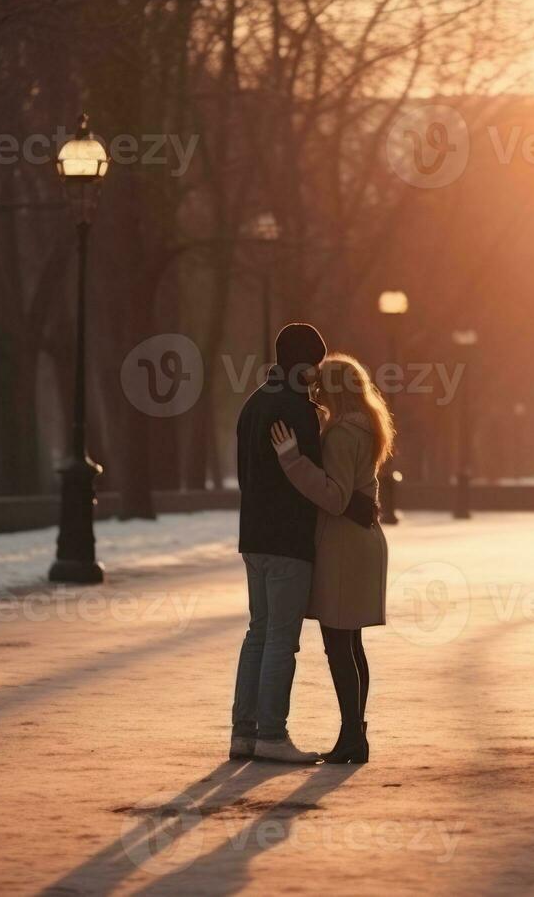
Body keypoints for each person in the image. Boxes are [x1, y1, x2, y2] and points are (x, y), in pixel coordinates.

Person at [270, 354, 393, 764]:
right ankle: (355, 733)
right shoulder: (369, 427)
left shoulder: (342, 434)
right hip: (362, 542)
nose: (315, 394)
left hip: (343, 546)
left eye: (320, 387)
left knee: (338, 645)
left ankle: (352, 738)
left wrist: (292, 459)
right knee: (351, 643)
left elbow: (334, 495)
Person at [230, 323, 328, 764]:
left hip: (253, 535)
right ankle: (272, 733)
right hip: (289, 538)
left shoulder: (253, 404)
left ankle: (244, 732)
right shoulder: (298, 409)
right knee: (281, 640)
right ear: (304, 363)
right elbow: (310, 479)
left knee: (258, 633)